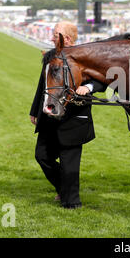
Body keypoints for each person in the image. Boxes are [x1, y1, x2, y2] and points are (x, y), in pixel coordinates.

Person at [30, 21, 107, 209]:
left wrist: (87, 87)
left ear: (68, 38)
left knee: (69, 163)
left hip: (74, 118)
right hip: (49, 116)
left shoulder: (87, 56)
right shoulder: (51, 56)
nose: (51, 38)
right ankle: (63, 188)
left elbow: (103, 80)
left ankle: (72, 202)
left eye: (55, 35)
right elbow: (44, 86)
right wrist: (34, 111)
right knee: (42, 156)